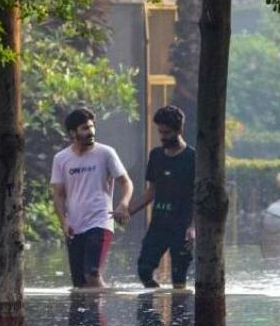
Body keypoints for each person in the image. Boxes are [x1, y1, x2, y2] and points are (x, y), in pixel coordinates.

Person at [50, 107, 133, 289]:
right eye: (85, 129)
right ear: (73, 133)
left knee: (92, 273)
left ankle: (100, 317)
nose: (91, 132)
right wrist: (64, 222)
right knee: (80, 284)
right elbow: (57, 194)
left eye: (92, 127)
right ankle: (91, 314)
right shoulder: (61, 158)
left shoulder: (106, 153)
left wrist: (123, 204)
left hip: (100, 221)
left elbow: (126, 182)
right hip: (75, 225)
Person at [128, 105, 196, 289]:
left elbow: (199, 197)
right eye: (160, 132)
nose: (163, 136)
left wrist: (193, 227)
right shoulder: (156, 156)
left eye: (167, 132)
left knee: (179, 278)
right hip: (159, 223)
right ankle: (153, 304)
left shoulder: (193, 158)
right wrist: (129, 212)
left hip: (182, 227)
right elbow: (151, 192)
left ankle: (179, 311)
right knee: (144, 269)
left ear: (179, 130)